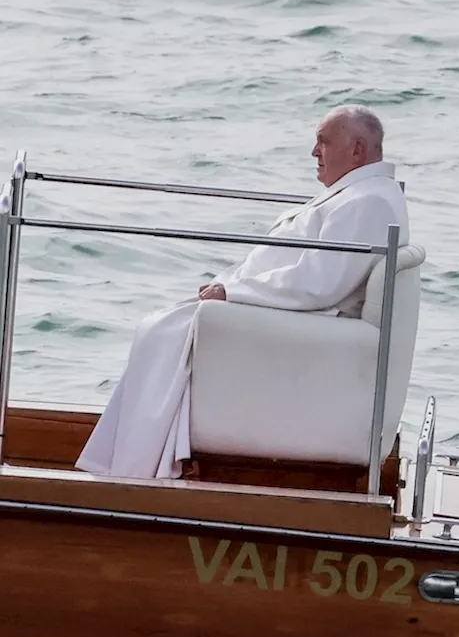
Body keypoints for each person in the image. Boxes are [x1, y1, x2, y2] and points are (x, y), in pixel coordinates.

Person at [75, 105, 410, 479]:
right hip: (274, 308)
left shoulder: (368, 202)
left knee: (162, 331)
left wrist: (232, 293)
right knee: (159, 329)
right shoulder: (359, 194)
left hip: (292, 316)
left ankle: (137, 469)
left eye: (323, 142)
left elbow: (319, 283)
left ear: (357, 150)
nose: (314, 152)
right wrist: (231, 287)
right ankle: (138, 461)